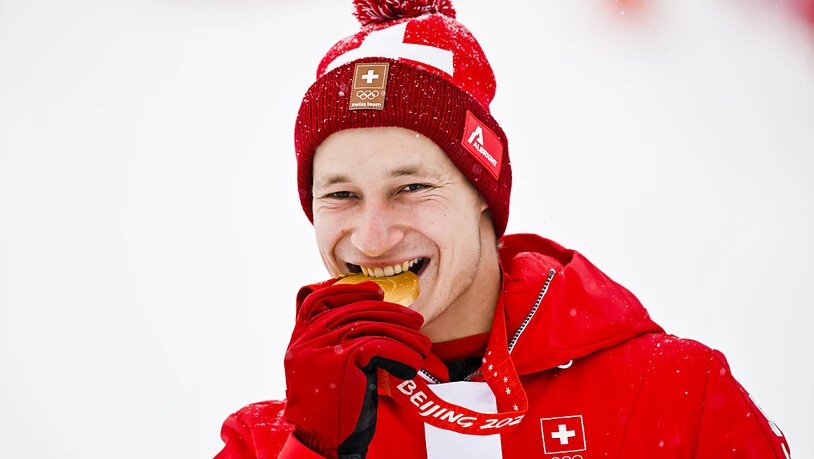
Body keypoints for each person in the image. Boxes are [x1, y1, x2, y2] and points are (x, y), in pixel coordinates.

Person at [215, 1, 791, 457]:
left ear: (484, 200)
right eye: (340, 196)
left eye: (411, 188)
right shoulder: (266, 443)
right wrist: (316, 449)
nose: (371, 238)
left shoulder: (671, 393)